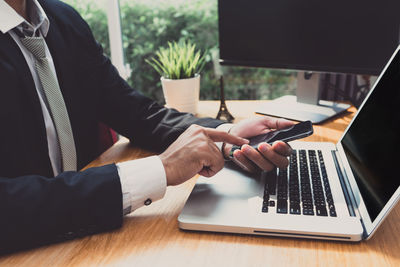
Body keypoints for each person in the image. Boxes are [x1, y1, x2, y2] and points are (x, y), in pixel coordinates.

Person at [0, 0, 293, 253]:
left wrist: (225, 137)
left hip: (88, 239)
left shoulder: (62, 19)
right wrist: (160, 170)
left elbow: (136, 112)